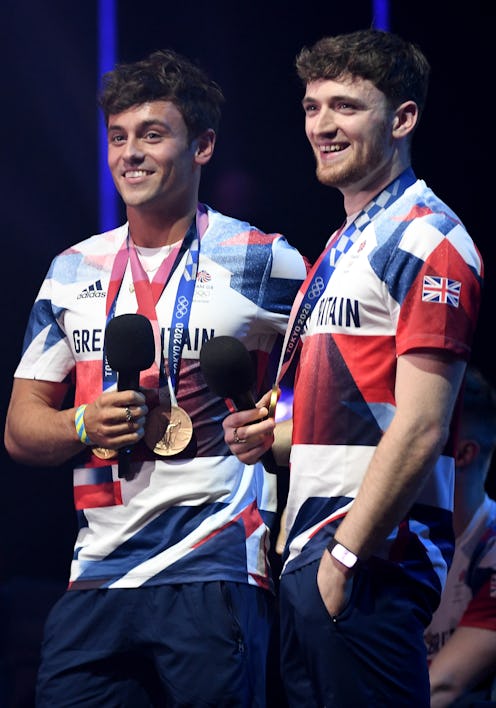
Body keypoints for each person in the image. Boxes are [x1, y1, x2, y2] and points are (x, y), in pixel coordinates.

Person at [4, 49, 308, 707]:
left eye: (151, 134)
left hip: (215, 569)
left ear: (202, 145)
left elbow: (333, 389)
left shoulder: (263, 260)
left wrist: (275, 422)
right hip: (96, 576)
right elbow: (21, 428)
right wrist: (81, 423)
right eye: (118, 137)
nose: (130, 154)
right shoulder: (72, 269)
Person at [221, 28, 484, 706]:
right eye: (312, 107)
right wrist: (271, 440)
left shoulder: (430, 237)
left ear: (402, 119)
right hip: (312, 557)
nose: (322, 125)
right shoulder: (343, 243)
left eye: (345, 106)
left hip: (367, 562)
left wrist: (344, 559)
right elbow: (354, 416)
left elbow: (423, 427)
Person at [425, 365, 496, 707]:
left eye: (425, 428)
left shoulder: (491, 545)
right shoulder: (395, 532)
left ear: (463, 454)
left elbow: (444, 685)